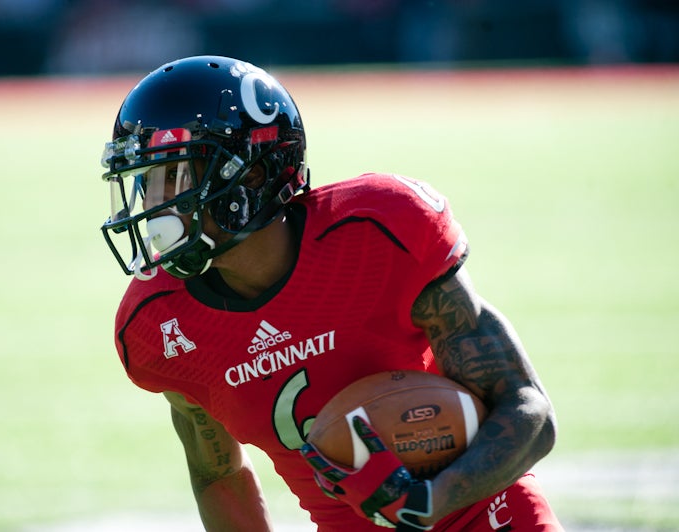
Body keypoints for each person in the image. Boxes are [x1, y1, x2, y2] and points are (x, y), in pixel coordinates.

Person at [99, 55, 562, 531]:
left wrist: (428, 500)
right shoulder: (157, 325)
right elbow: (219, 473)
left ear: (251, 177)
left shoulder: (379, 230)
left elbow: (528, 409)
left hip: (490, 518)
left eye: (172, 177)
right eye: (146, 182)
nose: (154, 207)